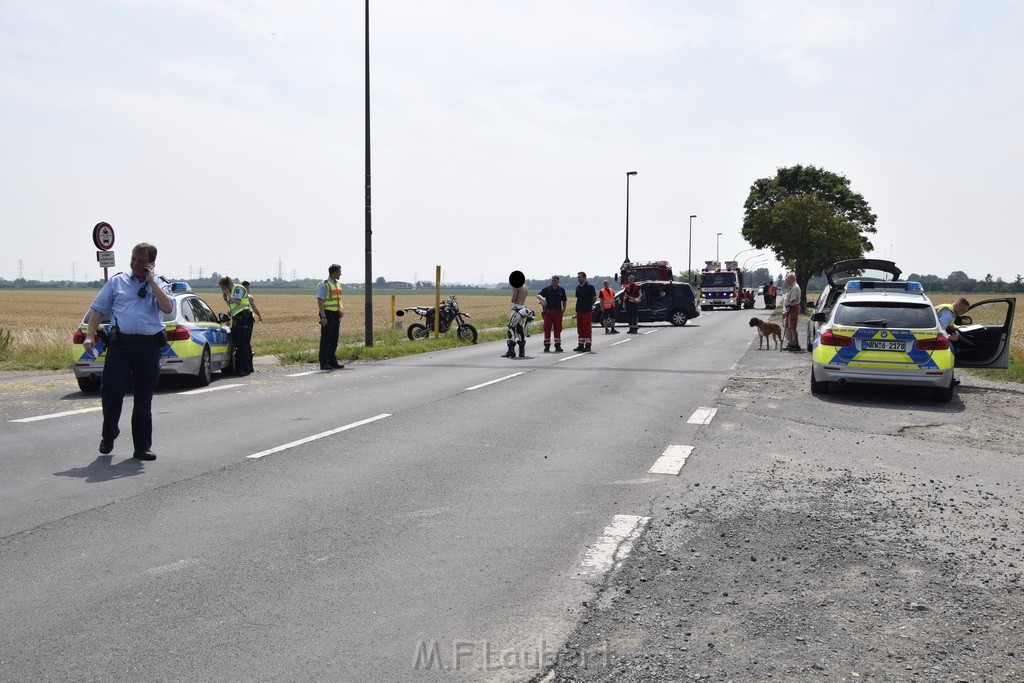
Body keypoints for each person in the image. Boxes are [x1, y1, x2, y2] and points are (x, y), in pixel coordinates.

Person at [82, 242, 173, 461]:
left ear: (151, 263)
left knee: (143, 399)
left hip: (148, 347)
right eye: (133, 258)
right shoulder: (117, 282)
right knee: (111, 392)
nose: (135, 263)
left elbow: (168, 308)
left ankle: (142, 447)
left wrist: (151, 281)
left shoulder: (160, 284)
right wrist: (89, 335)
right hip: (120, 346)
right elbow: (98, 309)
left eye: (141, 260)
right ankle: (109, 433)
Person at [220, 275, 255, 375]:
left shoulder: (238, 288)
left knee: (242, 345)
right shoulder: (233, 291)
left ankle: (243, 369)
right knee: (244, 344)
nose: (222, 290)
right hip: (240, 319)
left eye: (223, 288)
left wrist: (228, 294)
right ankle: (248, 367)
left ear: (226, 286)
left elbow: (237, 301)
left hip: (243, 319)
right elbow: (232, 304)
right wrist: (225, 299)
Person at [316, 264, 345, 370]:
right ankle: (324, 363)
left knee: (334, 339)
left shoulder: (337, 284)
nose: (341, 273)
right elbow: (320, 300)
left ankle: (332, 361)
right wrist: (323, 317)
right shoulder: (325, 284)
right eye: (339, 271)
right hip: (327, 313)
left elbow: (339, 299)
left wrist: (341, 308)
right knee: (326, 339)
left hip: (335, 314)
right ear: (334, 272)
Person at [936, 297, 970, 386]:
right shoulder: (947, 313)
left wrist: (958, 327)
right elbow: (940, 330)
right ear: (957, 305)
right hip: (933, 336)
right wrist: (950, 338)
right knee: (951, 351)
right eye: (963, 310)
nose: (963, 313)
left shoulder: (949, 310)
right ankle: (949, 379)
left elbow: (947, 325)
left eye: (965, 311)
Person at [538, 275, 567, 353]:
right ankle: (547, 346)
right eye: (552, 280)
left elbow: (564, 300)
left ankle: (557, 345)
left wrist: (564, 308)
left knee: (558, 328)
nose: (553, 282)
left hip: (558, 311)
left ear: (558, 281)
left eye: (555, 280)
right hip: (548, 311)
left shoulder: (561, 290)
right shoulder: (547, 289)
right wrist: (542, 299)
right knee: (547, 328)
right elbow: (538, 295)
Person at [504, 273, 530, 358]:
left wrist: (513, 292)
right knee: (520, 329)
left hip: (516, 309)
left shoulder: (516, 286)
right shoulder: (525, 287)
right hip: (522, 308)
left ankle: (511, 350)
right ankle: (522, 352)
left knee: (511, 328)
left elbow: (513, 299)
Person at [574, 271, 597, 352]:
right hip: (579, 310)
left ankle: (588, 346)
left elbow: (594, 298)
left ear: (584, 277)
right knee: (580, 329)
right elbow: (578, 299)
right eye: (578, 277)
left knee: (586, 329)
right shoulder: (578, 287)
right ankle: (580, 345)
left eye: (580, 277)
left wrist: (589, 305)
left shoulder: (590, 287)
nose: (579, 279)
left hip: (587, 311)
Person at [782, 273, 801, 351]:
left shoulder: (794, 288)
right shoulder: (792, 287)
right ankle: (790, 343)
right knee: (788, 327)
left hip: (792, 309)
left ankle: (795, 345)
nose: (786, 281)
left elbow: (792, 301)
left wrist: (786, 312)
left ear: (792, 279)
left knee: (792, 327)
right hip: (790, 309)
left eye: (787, 280)